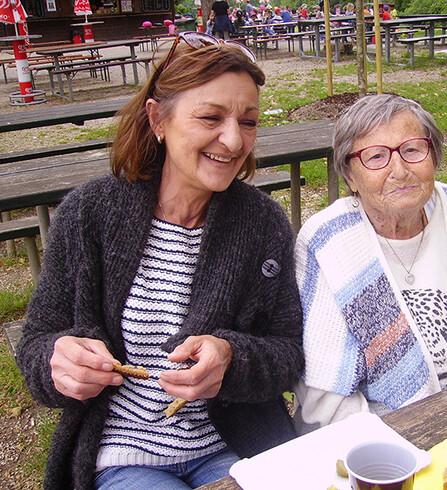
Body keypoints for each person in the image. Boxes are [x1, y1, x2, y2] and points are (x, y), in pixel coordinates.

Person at [16, 32, 304, 490]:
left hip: (234, 448)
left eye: (248, 122)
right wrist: (58, 363)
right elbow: (35, 345)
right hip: (126, 457)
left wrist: (231, 357)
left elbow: (288, 352)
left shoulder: (264, 223)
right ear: (158, 119)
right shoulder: (90, 214)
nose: (233, 141)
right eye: (211, 117)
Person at [293, 93, 447, 430]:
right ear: (349, 175)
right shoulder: (328, 240)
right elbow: (326, 391)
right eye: (375, 156)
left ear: (432, 156)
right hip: (381, 435)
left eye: (412, 150)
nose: (400, 170)